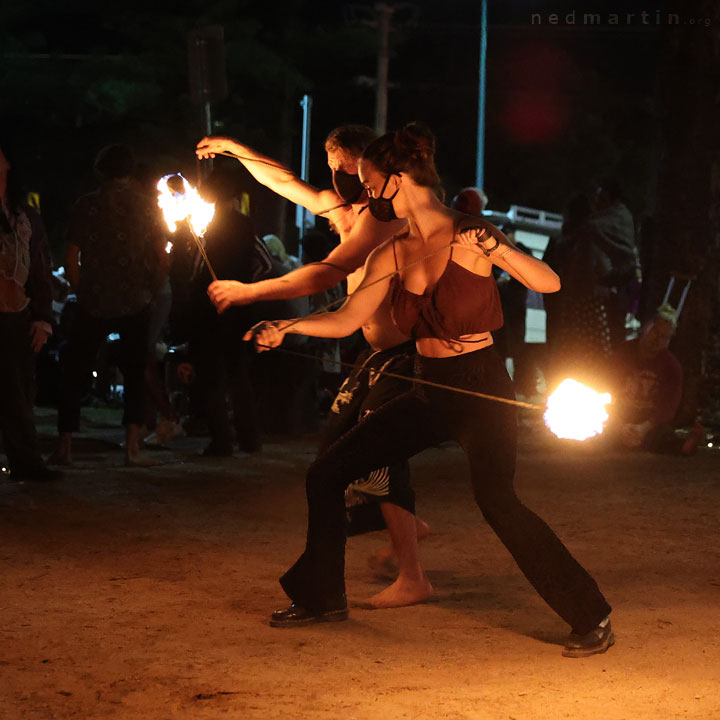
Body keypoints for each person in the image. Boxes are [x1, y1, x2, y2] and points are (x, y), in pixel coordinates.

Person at [247, 123, 614, 658]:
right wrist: (286, 328)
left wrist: (497, 249)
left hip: (480, 386)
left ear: (398, 180)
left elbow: (548, 282)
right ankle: (322, 596)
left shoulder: (470, 232)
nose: (366, 195)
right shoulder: (393, 250)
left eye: (371, 184)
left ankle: (592, 614)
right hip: (429, 388)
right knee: (326, 471)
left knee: (498, 501)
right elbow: (348, 318)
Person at [197, 126, 431, 606]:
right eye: (331, 168)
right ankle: (401, 528)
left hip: (408, 353)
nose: (336, 178)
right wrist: (238, 148)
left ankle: (411, 573)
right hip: (372, 351)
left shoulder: (385, 220)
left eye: (344, 168)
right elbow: (282, 182)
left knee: (378, 456)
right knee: (339, 449)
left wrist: (250, 291)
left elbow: (329, 272)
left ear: (371, 170)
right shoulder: (349, 211)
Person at [49, 144, 165, 466]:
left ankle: (65, 445)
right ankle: (131, 446)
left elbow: (71, 257)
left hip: (94, 299)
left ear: (101, 170)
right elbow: (162, 256)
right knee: (134, 371)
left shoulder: (87, 205)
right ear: (130, 170)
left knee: (74, 369)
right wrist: (151, 289)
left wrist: (81, 289)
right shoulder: (147, 207)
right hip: (135, 298)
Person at [0, 142, 60, 482]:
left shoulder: (24, 216)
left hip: (14, 316)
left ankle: (26, 463)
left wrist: (42, 318)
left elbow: (40, 270)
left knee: (19, 392)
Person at [606, 303, 703, 455]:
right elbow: (606, 387)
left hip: (648, 420)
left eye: (664, 336)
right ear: (646, 328)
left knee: (662, 436)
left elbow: (669, 405)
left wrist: (644, 428)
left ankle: (683, 446)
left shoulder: (672, 366)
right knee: (600, 429)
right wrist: (619, 425)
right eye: (655, 332)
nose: (657, 340)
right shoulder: (623, 353)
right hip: (619, 414)